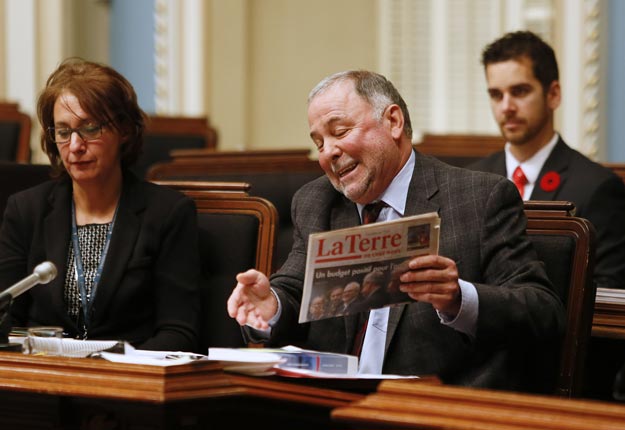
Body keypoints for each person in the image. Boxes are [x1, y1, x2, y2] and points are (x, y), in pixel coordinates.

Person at [227, 69, 565, 392]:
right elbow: (293, 288)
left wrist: (457, 298)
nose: (329, 151)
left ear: (393, 122)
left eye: (340, 132)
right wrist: (271, 305)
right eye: (319, 143)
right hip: (331, 404)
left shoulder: (479, 197)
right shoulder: (316, 201)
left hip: (432, 408)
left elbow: (543, 311)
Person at [0, 58, 201, 352]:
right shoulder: (26, 210)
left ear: (124, 131)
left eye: (90, 128)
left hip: (127, 384)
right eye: (63, 132)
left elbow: (179, 332)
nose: (76, 146)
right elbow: (6, 319)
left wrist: (111, 365)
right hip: (43, 382)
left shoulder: (167, 213)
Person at [468, 30, 625, 290]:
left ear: (553, 94)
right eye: (496, 95)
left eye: (519, 91)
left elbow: (606, 295)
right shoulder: (472, 180)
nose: (506, 106)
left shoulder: (597, 188)